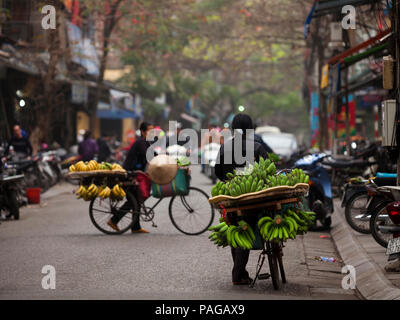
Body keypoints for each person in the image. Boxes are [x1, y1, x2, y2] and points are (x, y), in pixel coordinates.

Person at [215, 114, 268, 285]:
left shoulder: (224, 148)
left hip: (231, 196)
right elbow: (267, 172)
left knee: (236, 230)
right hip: (254, 198)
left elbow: (218, 173)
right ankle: (238, 273)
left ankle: (240, 272)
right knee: (245, 229)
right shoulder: (258, 147)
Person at [107, 122, 155, 234]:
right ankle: (114, 220)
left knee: (137, 200)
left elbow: (153, 154)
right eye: (150, 130)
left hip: (136, 173)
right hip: (130, 174)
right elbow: (148, 155)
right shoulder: (141, 142)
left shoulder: (146, 142)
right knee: (134, 200)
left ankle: (136, 227)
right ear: (143, 132)